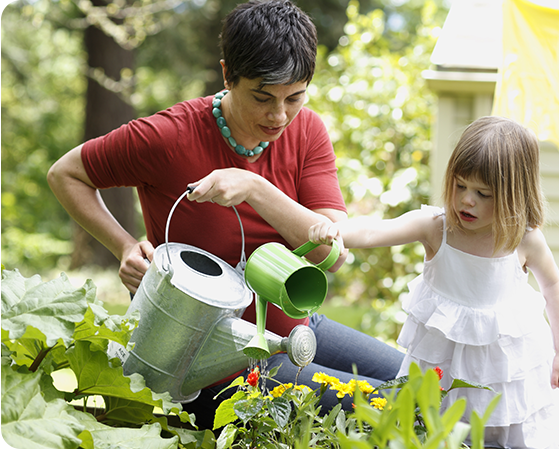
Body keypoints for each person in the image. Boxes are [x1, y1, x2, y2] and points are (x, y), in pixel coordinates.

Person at [47, 0, 403, 430]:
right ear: (227, 75)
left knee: (423, 386)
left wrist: (253, 186)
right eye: (262, 97)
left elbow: (330, 253)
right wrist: (124, 245)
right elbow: (66, 173)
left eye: (295, 97)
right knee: (392, 408)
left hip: (297, 332)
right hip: (213, 361)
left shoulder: (307, 131)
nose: (279, 115)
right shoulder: (169, 137)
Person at [308, 116, 559, 448]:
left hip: (505, 371)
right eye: (461, 186)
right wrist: (337, 231)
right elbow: (374, 230)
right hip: (441, 366)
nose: (467, 200)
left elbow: (552, 287)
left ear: (514, 195)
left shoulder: (524, 241)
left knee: (509, 433)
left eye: (483, 194)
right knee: (433, 431)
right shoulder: (436, 228)